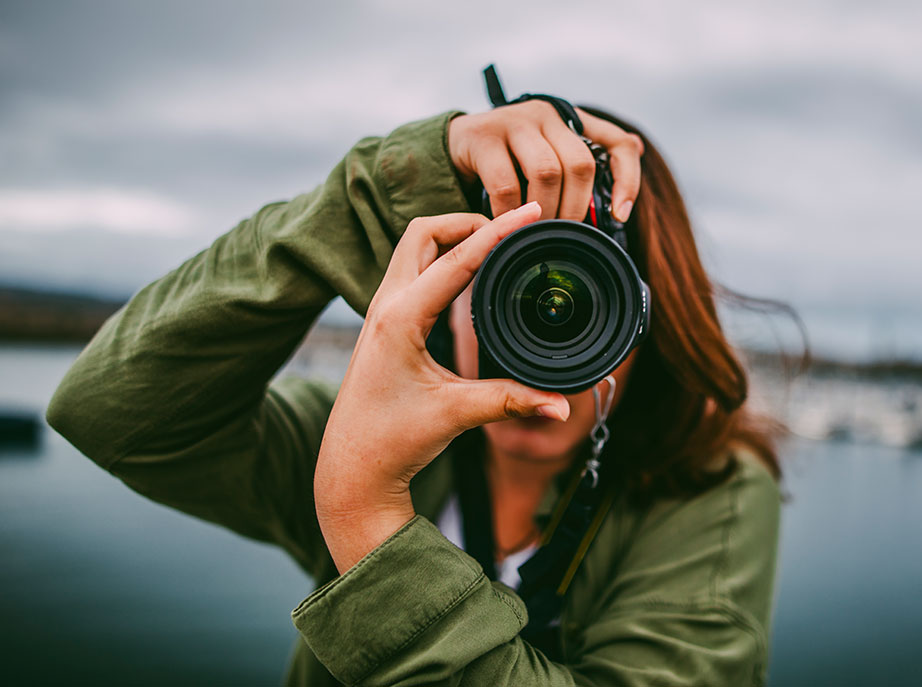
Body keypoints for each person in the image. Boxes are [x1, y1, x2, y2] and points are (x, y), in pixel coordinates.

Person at [47, 98, 782, 686]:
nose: (535, 353)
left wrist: (367, 519)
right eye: (502, 285)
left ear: (648, 324)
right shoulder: (363, 438)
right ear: (445, 292)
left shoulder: (711, 490)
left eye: (585, 304)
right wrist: (368, 191)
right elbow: (112, 410)